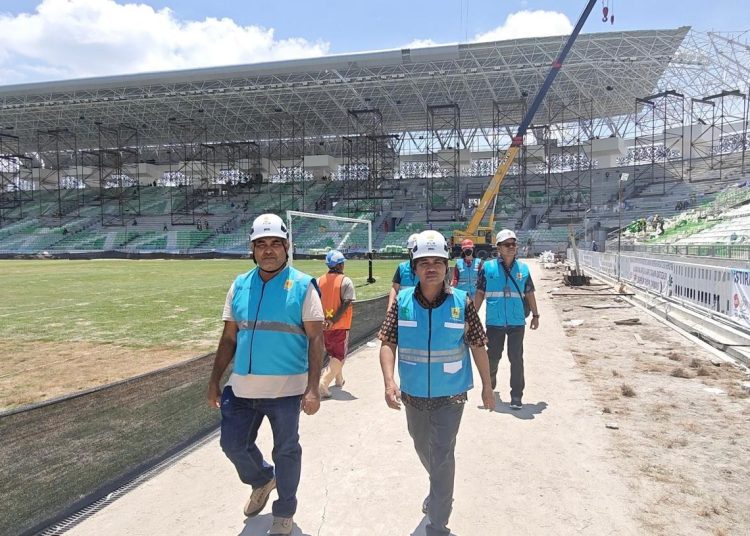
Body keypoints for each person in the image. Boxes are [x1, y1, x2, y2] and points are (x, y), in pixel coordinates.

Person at [206, 213, 324, 536]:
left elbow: (316, 338)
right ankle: (261, 479)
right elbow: (230, 337)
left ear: (287, 247)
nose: (268, 250)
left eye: (275, 244)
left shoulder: (303, 285)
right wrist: (215, 379)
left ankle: (284, 510)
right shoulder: (240, 285)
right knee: (232, 445)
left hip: (287, 391)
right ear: (253, 250)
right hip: (241, 389)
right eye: (261, 244)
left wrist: (313, 388)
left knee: (286, 450)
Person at [379, 230, 495, 536]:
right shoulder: (401, 302)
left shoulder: (461, 301)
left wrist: (487, 385)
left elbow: (478, 345)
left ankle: (439, 521)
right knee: (422, 447)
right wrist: (389, 381)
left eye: (438, 262)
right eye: (423, 262)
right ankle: (440, 485)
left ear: (447, 266)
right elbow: (388, 343)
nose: (431, 267)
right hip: (413, 394)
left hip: (451, 395)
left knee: (442, 452)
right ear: (414, 268)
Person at [474, 229, 540, 410]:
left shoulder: (523, 269)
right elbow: (480, 293)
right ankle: (490, 381)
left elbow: (530, 293)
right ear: (499, 248)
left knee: (516, 358)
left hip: (517, 322)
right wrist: (472, 317)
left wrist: (535, 315)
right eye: (507, 244)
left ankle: (517, 395)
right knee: (493, 356)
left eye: (514, 244)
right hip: (495, 322)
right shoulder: (487, 268)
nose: (511, 247)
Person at [318, 250, 356, 398]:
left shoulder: (319, 280)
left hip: (324, 326)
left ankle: (339, 379)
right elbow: (347, 301)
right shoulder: (345, 281)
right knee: (339, 356)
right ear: (340, 265)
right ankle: (324, 381)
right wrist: (334, 320)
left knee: (333, 353)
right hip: (340, 325)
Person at [387, 232, 420, 310]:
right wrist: (390, 307)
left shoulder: (427, 268)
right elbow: (395, 288)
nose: (412, 253)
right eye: (410, 250)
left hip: (421, 307)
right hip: (404, 307)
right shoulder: (402, 267)